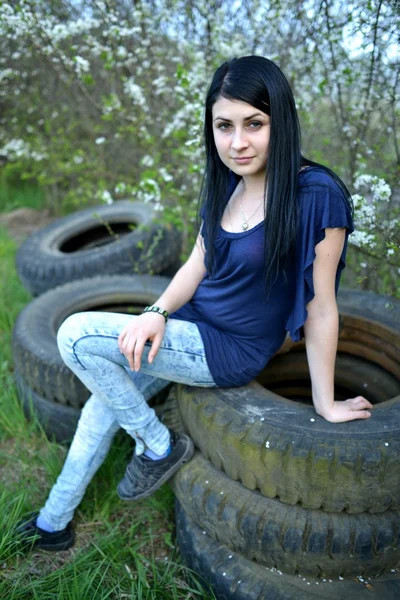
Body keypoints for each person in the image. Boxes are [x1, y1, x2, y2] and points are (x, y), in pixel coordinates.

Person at [15, 55, 373, 552]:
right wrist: (157, 313)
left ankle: (158, 446)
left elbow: (322, 306)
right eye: (223, 126)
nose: (237, 142)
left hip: (228, 349)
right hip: (189, 325)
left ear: (281, 121)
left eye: (254, 124)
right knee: (102, 404)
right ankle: (53, 524)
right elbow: (195, 265)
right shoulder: (225, 183)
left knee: (73, 335)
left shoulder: (316, 194)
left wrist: (324, 402)